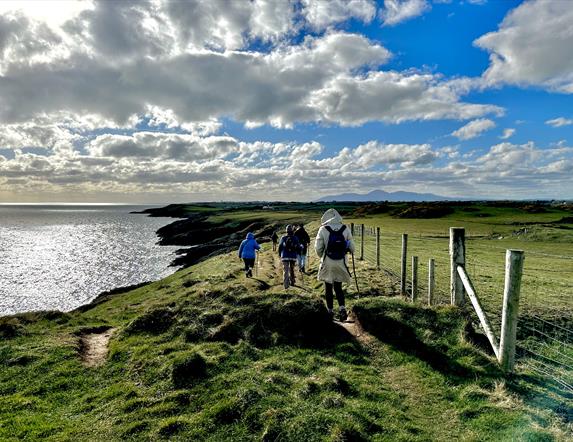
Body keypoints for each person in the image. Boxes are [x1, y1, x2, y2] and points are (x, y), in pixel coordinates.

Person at [314, 208, 355, 321]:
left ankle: (330, 311)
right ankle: (342, 309)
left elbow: (318, 248)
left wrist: (322, 256)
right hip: (341, 261)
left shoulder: (323, 229)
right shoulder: (345, 228)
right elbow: (352, 247)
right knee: (338, 287)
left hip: (328, 261)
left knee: (328, 287)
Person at [278, 225, 301, 289]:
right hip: (293, 256)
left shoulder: (283, 238)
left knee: (286, 270)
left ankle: (286, 285)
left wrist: (280, 254)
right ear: (292, 230)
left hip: (285, 256)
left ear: (286, 231)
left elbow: (280, 247)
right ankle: (292, 282)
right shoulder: (295, 238)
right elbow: (298, 247)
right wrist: (299, 252)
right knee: (292, 269)